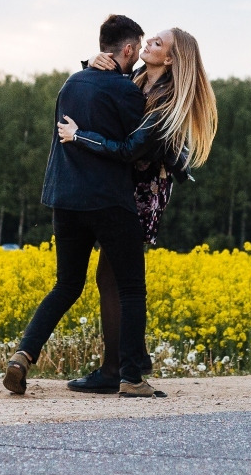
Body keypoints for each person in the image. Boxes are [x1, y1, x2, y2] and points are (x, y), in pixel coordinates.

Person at [4, 14, 161, 398]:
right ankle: (131, 378)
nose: (139, 57)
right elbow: (133, 144)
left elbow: (87, 105)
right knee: (130, 289)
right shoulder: (128, 93)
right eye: (137, 50)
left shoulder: (70, 83)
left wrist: (89, 65)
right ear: (126, 49)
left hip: (65, 199)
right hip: (108, 201)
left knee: (66, 285)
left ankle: (22, 357)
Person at [55, 26, 218, 394]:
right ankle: (121, 367)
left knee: (119, 281)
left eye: (157, 43)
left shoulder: (168, 103)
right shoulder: (140, 79)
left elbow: (129, 148)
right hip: (116, 188)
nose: (147, 44)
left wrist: (80, 136)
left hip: (140, 195)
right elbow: (102, 93)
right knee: (109, 280)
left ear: (172, 59)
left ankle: (121, 371)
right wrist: (94, 63)